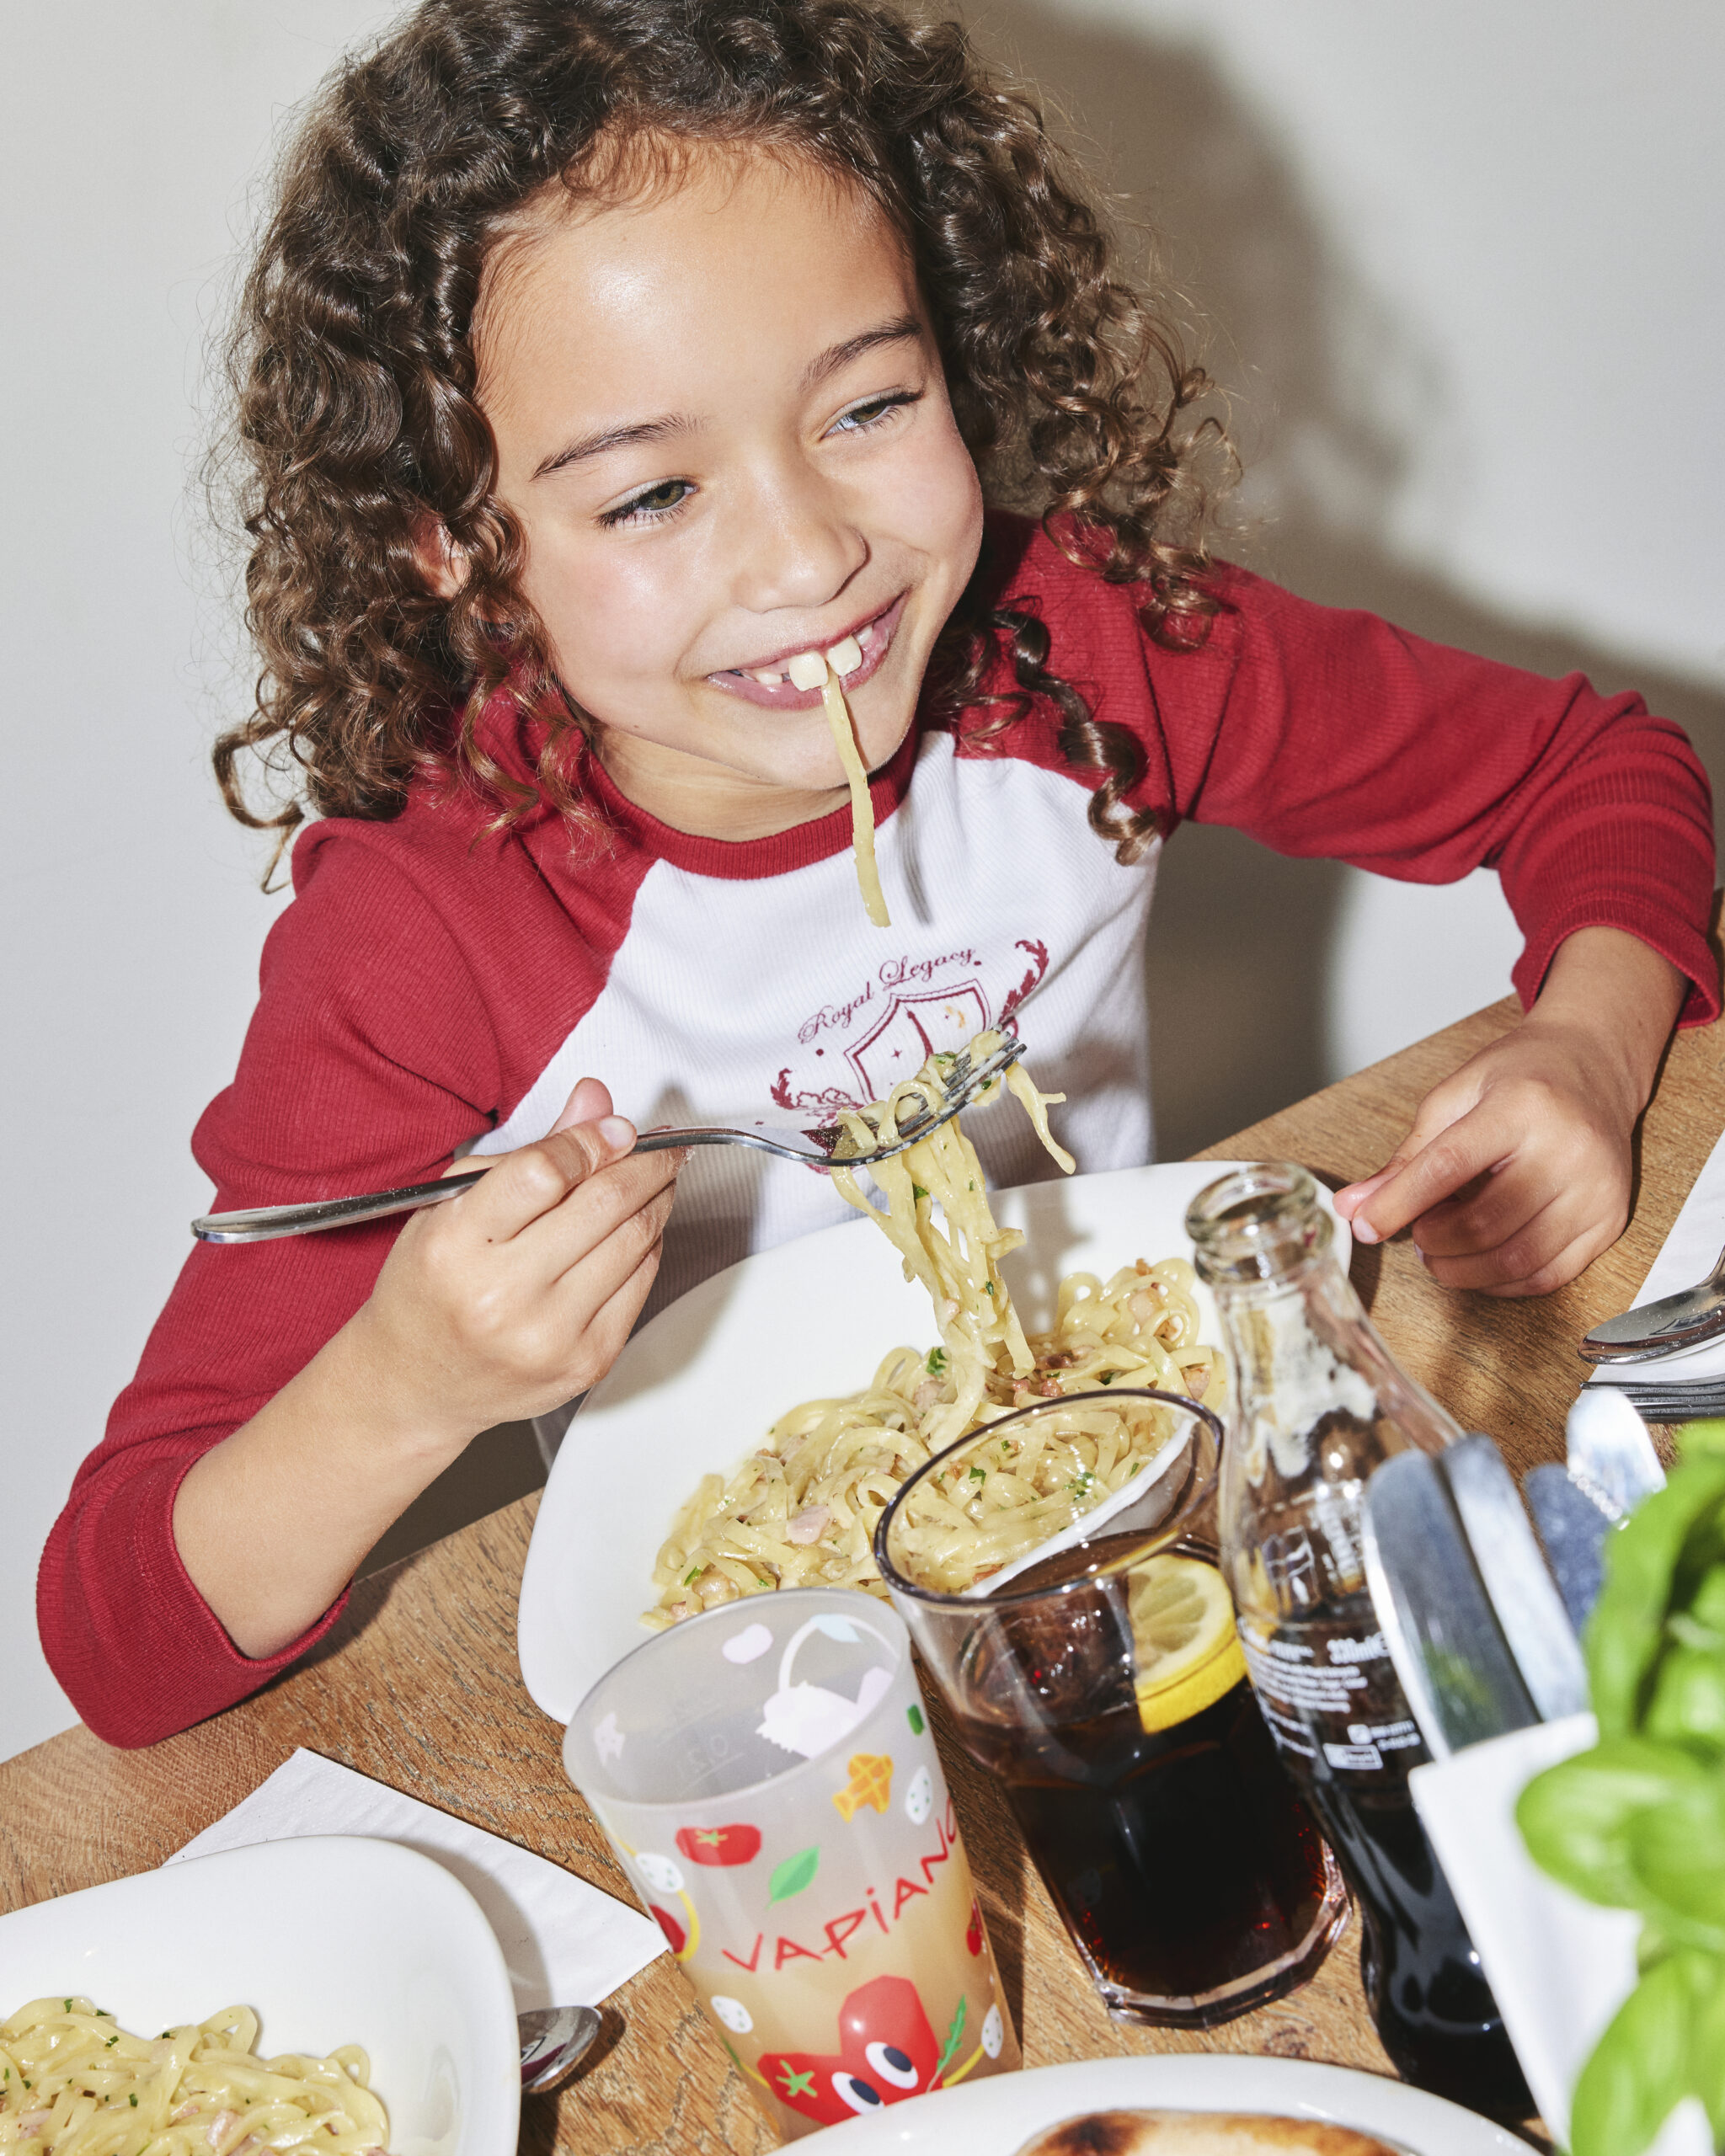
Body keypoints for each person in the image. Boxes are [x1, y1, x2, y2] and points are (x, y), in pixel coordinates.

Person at [40, 0, 1714, 1749]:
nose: (809, 552)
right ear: (448, 541)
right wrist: (408, 1381)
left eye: (867, 404)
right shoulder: (429, 934)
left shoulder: (1077, 656)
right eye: (650, 495)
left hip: (1171, 1546)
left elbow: (1593, 772)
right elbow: (119, 1638)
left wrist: (1587, 1044)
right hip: (797, 1709)